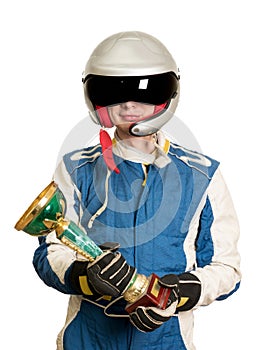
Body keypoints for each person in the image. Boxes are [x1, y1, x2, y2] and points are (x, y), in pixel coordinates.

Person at [33, 31, 241, 350]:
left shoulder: (202, 174)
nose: (129, 104)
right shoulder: (75, 169)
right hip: (88, 339)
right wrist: (85, 277)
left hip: (167, 341)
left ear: (166, 94)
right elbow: (50, 252)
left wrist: (178, 292)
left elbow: (227, 269)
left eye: (144, 91)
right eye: (114, 92)